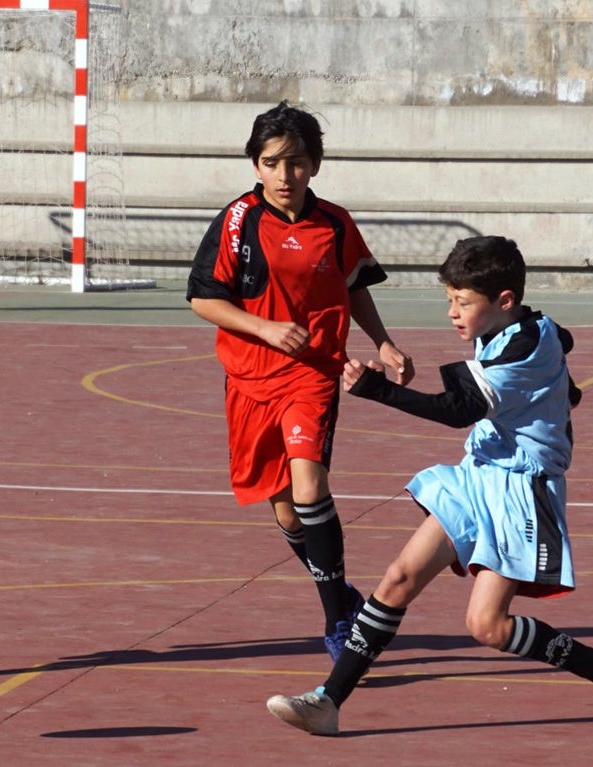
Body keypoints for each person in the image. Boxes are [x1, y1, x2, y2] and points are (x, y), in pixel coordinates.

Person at [265, 235, 593, 738]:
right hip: (478, 475)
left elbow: (459, 410)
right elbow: (561, 337)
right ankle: (329, 701)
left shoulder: (521, 346)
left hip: (523, 489)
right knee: (398, 579)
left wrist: (376, 389)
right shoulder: (513, 325)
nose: (452, 312)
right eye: (449, 299)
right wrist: (564, 385)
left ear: (503, 301)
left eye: (463, 302)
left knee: (488, 627)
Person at [186, 101, 414, 662]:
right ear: (255, 165)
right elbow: (202, 299)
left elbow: (354, 285)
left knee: (311, 489)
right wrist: (263, 328)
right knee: (288, 512)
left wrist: (381, 342)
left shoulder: (335, 223)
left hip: (313, 375)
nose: (285, 176)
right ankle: (342, 593)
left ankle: (339, 623)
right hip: (248, 379)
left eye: (297, 163)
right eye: (272, 163)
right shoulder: (237, 221)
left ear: (316, 164)